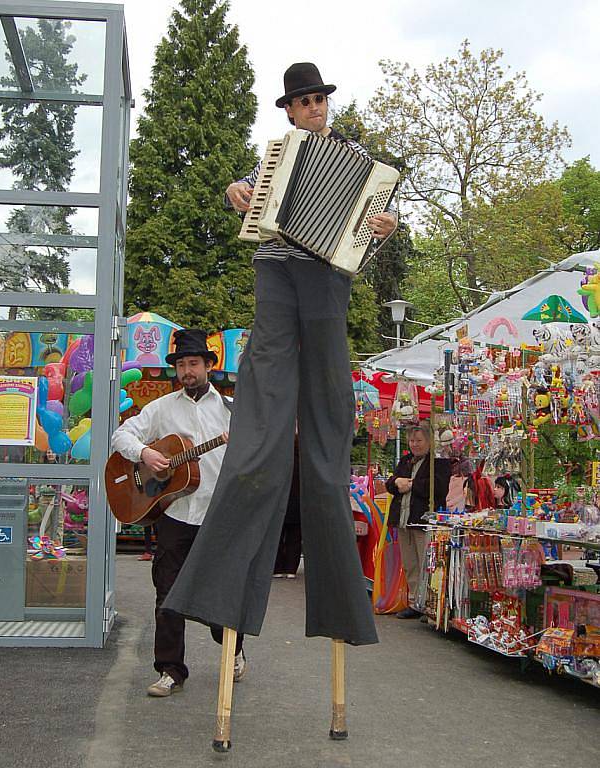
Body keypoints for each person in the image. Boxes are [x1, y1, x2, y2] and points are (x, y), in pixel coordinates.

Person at [165, 63, 397, 647]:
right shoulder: (272, 158)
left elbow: (372, 229)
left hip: (325, 280)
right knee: (263, 410)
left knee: (327, 406)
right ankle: (221, 590)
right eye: (304, 101)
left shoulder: (357, 161)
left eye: (319, 99)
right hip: (275, 273)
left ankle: (338, 594)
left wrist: (384, 227)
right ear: (289, 110)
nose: (315, 108)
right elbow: (241, 196)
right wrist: (233, 192)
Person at [110, 328, 245, 697]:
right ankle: (171, 670)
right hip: (174, 512)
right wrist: (145, 454)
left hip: (218, 514)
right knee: (167, 594)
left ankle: (234, 648)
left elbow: (252, 455)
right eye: (182, 364)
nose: (187, 371)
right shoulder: (161, 409)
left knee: (223, 591)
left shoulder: (232, 409)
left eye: (194, 364)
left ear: (208, 367)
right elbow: (121, 436)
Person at [385, 422, 451, 619]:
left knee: (426, 563)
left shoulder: (438, 462)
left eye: (419, 440)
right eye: (412, 440)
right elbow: (391, 483)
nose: (415, 444)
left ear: (429, 441)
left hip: (423, 520)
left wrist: (411, 484)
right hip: (404, 520)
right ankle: (415, 601)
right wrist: (397, 483)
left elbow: (439, 489)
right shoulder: (406, 461)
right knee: (410, 563)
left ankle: (430, 604)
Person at [273, 439, 301, 579]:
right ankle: (291, 568)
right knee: (295, 537)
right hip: (298, 503)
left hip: (279, 502)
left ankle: (277, 567)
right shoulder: (303, 461)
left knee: (277, 536)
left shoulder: (277, 459)